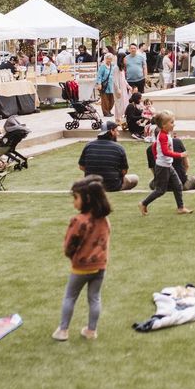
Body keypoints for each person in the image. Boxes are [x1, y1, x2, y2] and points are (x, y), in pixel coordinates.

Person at [52, 177, 111, 342]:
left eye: (75, 198)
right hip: (100, 266)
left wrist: (73, 257)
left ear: (87, 199)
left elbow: (69, 245)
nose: (74, 202)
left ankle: (63, 330)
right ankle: (92, 331)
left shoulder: (78, 221)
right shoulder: (104, 220)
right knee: (95, 298)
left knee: (70, 296)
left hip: (80, 267)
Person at [139, 111, 193, 216]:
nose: (174, 124)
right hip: (163, 167)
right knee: (160, 190)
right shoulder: (163, 136)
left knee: (178, 185)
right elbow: (165, 152)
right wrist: (180, 155)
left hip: (167, 165)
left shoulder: (165, 134)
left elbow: (155, 147)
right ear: (164, 125)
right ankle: (143, 203)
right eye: (172, 122)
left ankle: (180, 208)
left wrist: (157, 158)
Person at [78, 121, 138, 192]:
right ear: (112, 131)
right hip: (113, 186)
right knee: (135, 178)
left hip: (91, 185)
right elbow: (124, 171)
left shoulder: (88, 145)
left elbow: (81, 167)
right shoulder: (119, 148)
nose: (118, 134)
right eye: (116, 131)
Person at [96, 53, 117, 118]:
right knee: (105, 100)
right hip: (104, 85)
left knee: (112, 100)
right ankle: (106, 112)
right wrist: (99, 84)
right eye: (108, 59)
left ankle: (109, 110)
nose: (109, 60)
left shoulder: (113, 66)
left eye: (110, 59)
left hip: (111, 85)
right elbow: (99, 76)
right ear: (105, 59)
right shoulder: (102, 66)